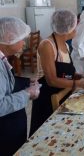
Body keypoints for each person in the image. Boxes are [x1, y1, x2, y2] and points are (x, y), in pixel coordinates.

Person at [30, 9, 84, 136]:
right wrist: (79, 83)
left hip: (64, 94)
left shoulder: (65, 45)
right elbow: (52, 80)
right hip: (47, 99)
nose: (76, 30)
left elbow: (69, 73)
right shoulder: (47, 45)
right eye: (75, 26)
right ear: (67, 29)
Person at [0, 17, 40, 156]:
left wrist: (28, 85)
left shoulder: (4, 57)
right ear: (9, 38)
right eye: (22, 39)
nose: (24, 43)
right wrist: (27, 93)